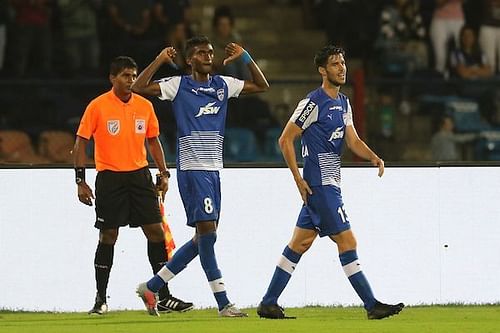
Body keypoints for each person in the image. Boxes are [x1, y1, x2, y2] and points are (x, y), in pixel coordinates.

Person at [256, 45, 404, 320]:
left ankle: (268, 302)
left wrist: (373, 156)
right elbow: (285, 139)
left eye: (343, 63)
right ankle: (372, 305)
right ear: (323, 70)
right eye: (335, 64)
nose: (342, 68)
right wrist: (298, 179)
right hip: (320, 185)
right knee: (348, 241)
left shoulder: (344, 102)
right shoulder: (312, 103)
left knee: (299, 244)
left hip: (329, 183)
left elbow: (352, 140)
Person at [131, 36, 269, 317]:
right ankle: (223, 303)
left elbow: (262, 86)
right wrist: (159, 60)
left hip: (213, 171)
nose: (208, 56)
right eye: (201, 53)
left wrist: (245, 57)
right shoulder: (178, 84)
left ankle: (152, 286)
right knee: (207, 235)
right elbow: (138, 87)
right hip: (193, 169)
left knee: (204, 237)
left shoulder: (222, 84)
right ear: (190, 59)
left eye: (210, 52)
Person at [73, 56, 192, 315]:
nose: (131, 80)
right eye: (126, 75)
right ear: (112, 78)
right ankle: (101, 299)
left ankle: (163, 295)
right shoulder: (98, 106)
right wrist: (80, 181)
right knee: (108, 236)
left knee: (156, 233)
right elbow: (81, 142)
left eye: (134, 75)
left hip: (140, 177)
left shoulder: (145, 106)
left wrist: (163, 172)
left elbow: (153, 141)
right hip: (110, 178)